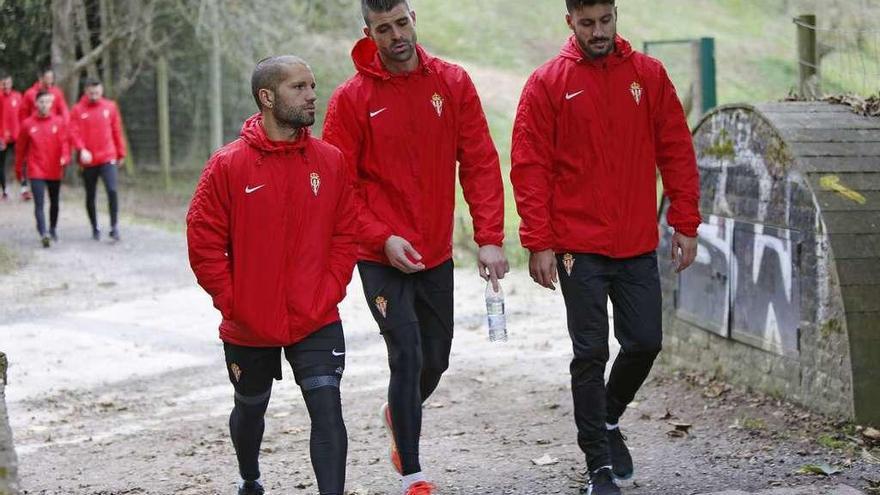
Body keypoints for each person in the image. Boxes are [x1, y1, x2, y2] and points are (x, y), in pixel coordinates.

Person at [510, 1, 701, 493]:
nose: (598, 31)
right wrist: (539, 241)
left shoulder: (649, 75)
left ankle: (609, 418)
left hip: (636, 240)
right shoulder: (547, 83)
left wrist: (685, 221)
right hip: (578, 246)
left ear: (616, 16)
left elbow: (675, 148)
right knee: (590, 351)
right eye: (587, 23)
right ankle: (598, 466)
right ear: (570, 22)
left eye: (606, 21)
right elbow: (530, 166)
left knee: (645, 342)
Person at [322, 1, 508, 494]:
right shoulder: (351, 99)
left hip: (434, 253)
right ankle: (413, 474)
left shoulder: (452, 83)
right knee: (405, 354)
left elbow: (481, 161)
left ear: (413, 20)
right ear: (370, 32)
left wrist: (489, 237)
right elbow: (340, 187)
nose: (396, 35)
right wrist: (381, 237)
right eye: (384, 29)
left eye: (402, 23)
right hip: (378, 254)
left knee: (435, 360)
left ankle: (396, 411)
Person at [187, 55, 358, 495]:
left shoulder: (331, 161)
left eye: (312, 85)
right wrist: (237, 302)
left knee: (327, 411)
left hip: (316, 315)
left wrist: (329, 289)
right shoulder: (227, 165)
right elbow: (204, 244)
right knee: (250, 408)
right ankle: (250, 478)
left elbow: (346, 232)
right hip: (248, 323)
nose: (312, 95)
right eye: (298, 87)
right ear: (267, 97)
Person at [70, 78, 126, 241]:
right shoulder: (77, 110)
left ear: (101, 90)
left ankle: (114, 227)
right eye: (91, 92)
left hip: (108, 157)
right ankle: (94, 226)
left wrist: (121, 153)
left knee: (112, 190)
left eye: (97, 92)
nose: (94, 95)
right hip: (88, 161)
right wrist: (81, 149)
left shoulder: (110, 107)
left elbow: (117, 130)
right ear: (85, 91)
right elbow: (73, 132)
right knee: (90, 194)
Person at [15, 90, 70, 247]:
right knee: (39, 203)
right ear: (36, 103)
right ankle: (43, 233)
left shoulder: (59, 122)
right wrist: (19, 170)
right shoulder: (27, 124)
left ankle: (52, 229)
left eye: (47, 102)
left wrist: (65, 157)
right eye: (41, 102)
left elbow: (65, 143)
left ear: (52, 104)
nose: (44, 105)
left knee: (54, 202)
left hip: (54, 168)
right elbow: (20, 150)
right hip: (36, 168)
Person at [0, 71, 23, 200]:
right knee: (1, 164)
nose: (6, 86)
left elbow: (22, 115)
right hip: (2, 137)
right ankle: (4, 190)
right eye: (4, 84)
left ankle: (24, 188)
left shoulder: (18, 96)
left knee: (21, 161)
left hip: (17, 135)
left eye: (8, 83)